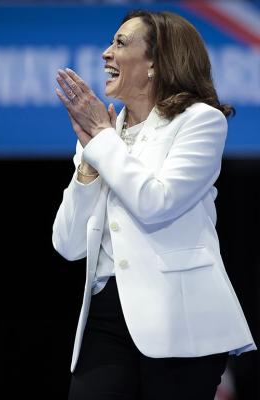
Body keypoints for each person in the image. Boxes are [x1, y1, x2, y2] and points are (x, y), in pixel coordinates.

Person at [52, 10, 257, 400]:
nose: (105, 53)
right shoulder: (103, 133)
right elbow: (68, 244)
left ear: (154, 64)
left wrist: (101, 141)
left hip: (179, 319)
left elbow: (155, 202)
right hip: (105, 315)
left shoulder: (201, 122)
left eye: (120, 43)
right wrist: (88, 169)